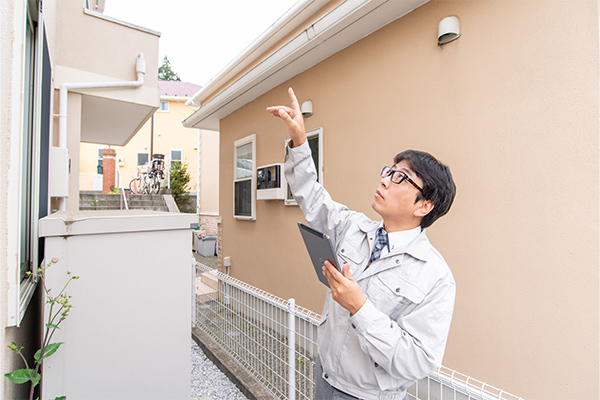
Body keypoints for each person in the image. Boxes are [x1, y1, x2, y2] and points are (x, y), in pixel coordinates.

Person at [267, 88, 457, 400]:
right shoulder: (354, 226)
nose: (384, 180)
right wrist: (300, 141)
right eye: (389, 171)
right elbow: (311, 195)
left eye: (400, 178)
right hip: (324, 374)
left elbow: (418, 360)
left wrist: (360, 307)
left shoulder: (435, 277)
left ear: (423, 206)